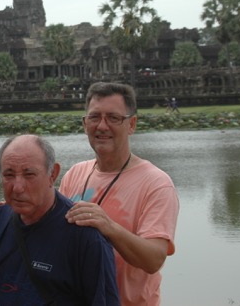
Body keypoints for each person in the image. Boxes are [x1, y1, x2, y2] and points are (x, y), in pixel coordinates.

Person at [59, 82, 179, 306]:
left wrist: (109, 226)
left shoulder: (156, 183)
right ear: (85, 124)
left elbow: (154, 259)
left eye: (113, 118)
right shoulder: (74, 174)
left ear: (131, 124)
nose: (102, 126)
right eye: (95, 117)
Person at [0, 134, 119, 305]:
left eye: (29, 174)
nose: (17, 187)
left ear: (53, 174)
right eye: (8, 175)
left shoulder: (85, 235)